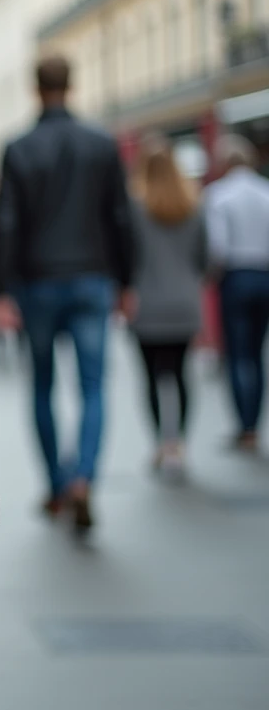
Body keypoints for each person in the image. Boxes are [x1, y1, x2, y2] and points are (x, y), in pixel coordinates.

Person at [0, 56, 134, 532]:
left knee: (42, 386)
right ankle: (83, 477)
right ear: (72, 85)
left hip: (37, 283)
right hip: (92, 278)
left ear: (35, 89)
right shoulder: (101, 143)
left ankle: (55, 486)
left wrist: (0, 290)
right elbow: (120, 217)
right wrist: (127, 281)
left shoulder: (18, 148)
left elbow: (5, 223)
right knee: (93, 386)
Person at [128, 137, 207, 477]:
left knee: (151, 378)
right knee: (181, 375)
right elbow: (205, 258)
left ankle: (161, 443)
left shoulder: (134, 208)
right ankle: (179, 444)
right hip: (185, 303)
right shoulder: (193, 204)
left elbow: (126, 257)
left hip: (146, 305)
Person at [205, 134, 269, 452]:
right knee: (257, 354)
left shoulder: (219, 195)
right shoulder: (265, 191)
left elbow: (218, 247)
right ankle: (254, 426)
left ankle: (244, 426)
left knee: (238, 354)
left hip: (236, 277)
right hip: (265, 275)